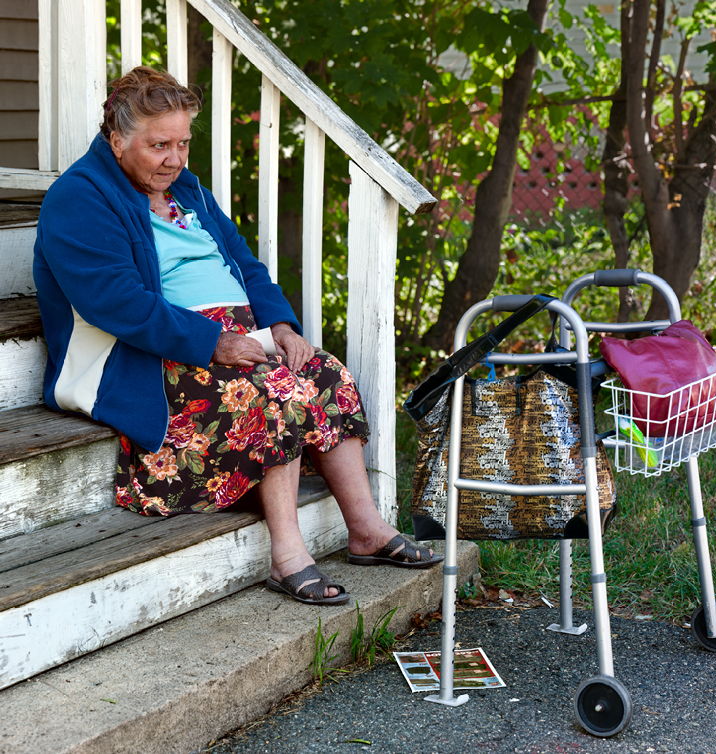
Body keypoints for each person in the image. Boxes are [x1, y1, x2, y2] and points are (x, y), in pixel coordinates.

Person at [33, 66, 441, 606]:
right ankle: (288, 554)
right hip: (147, 354)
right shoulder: (78, 198)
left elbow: (245, 263)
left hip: (232, 338)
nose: (175, 159)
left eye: (182, 143)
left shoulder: (187, 190)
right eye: (159, 145)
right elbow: (117, 303)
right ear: (117, 140)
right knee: (276, 391)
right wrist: (213, 342)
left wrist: (280, 324)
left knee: (325, 373)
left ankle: (366, 530)